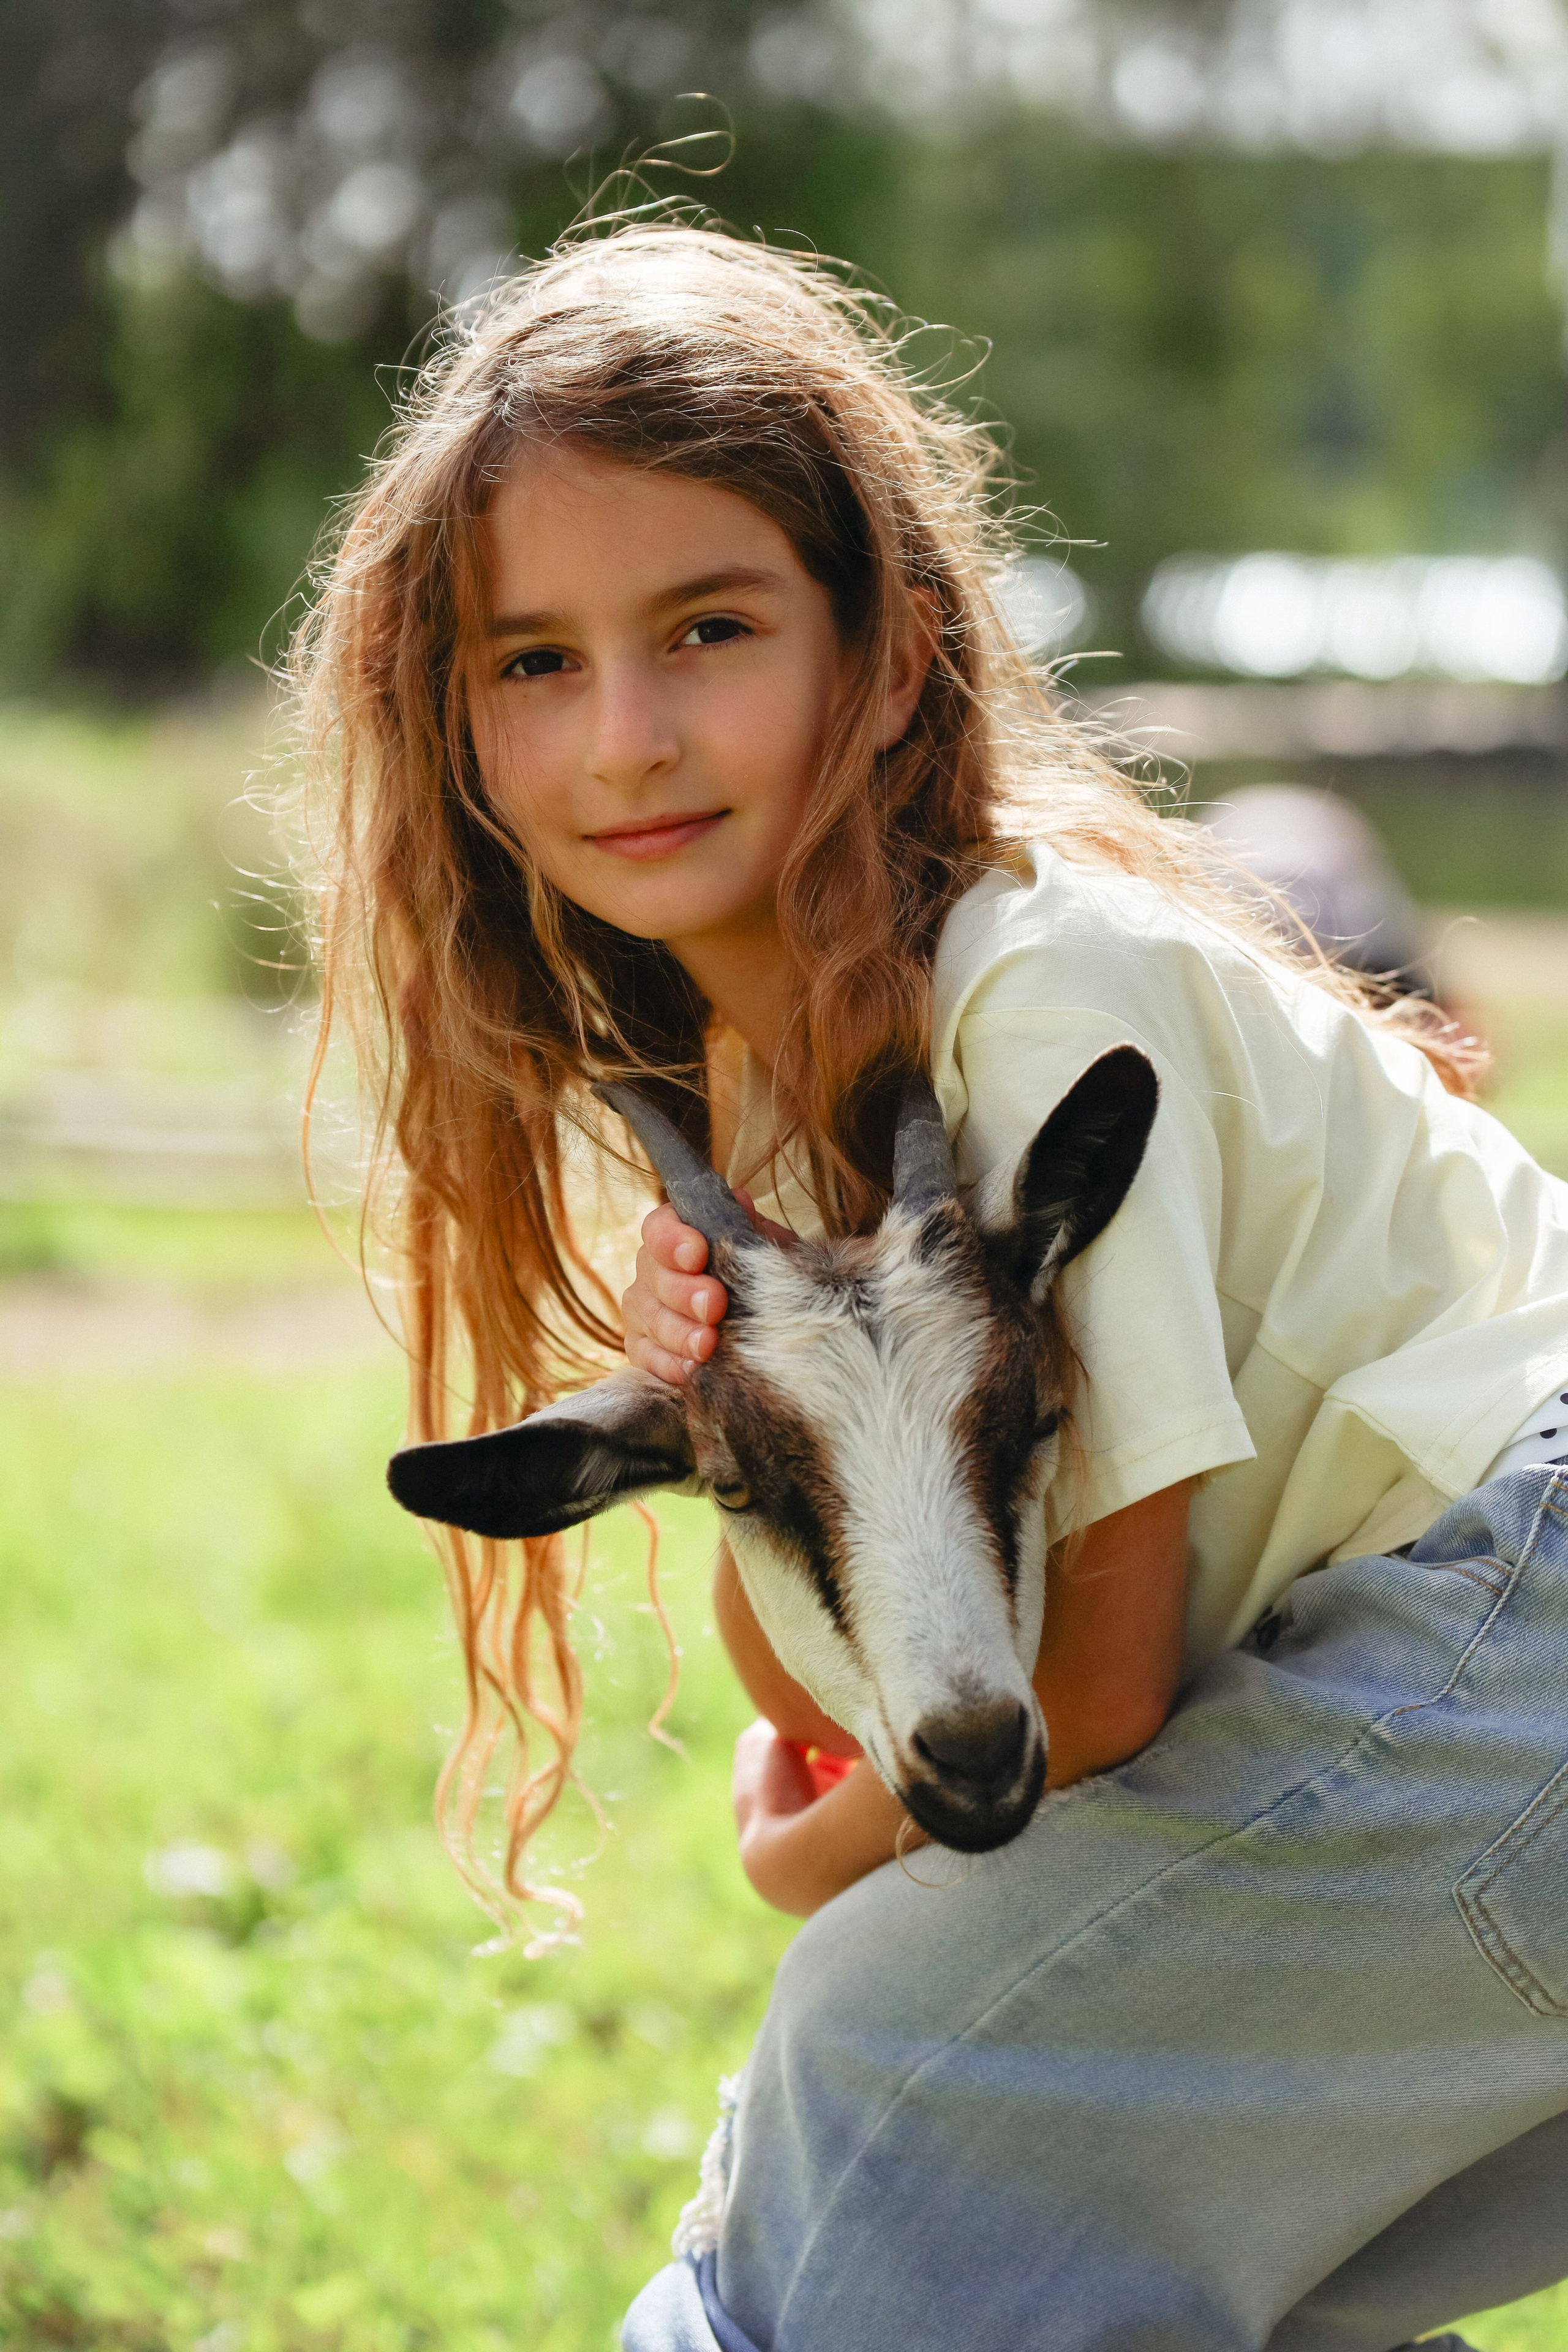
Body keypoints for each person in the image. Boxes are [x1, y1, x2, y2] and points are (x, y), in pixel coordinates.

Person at [294, 220, 1568, 2352]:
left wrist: (816, 1869)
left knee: (883, 2088)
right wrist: (727, 1408)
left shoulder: (1034, 992)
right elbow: (836, 1678)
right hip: (1440, 1670)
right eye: (534, 662)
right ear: (454, 732)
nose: (626, 738)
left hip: (1525, 1599)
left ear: (881, 638)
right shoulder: (781, 1118)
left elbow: (1088, 1699)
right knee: (1153, 2267)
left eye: (706, 626)